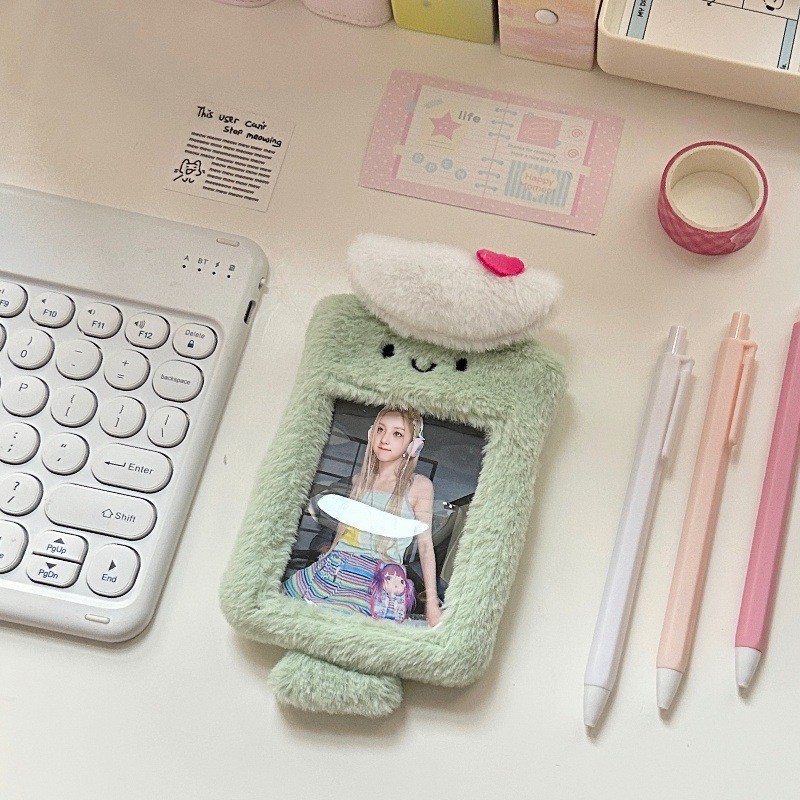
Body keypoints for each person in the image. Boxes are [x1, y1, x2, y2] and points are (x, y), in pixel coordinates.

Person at [283, 406, 441, 626]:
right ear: (371, 433)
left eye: (397, 433)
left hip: (376, 580)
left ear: (413, 445)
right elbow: (342, 529)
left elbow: (425, 545)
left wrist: (431, 601)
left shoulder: (419, 486)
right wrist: (325, 558)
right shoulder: (360, 480)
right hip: (334, 569)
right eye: (380, 429)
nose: (384, 439)